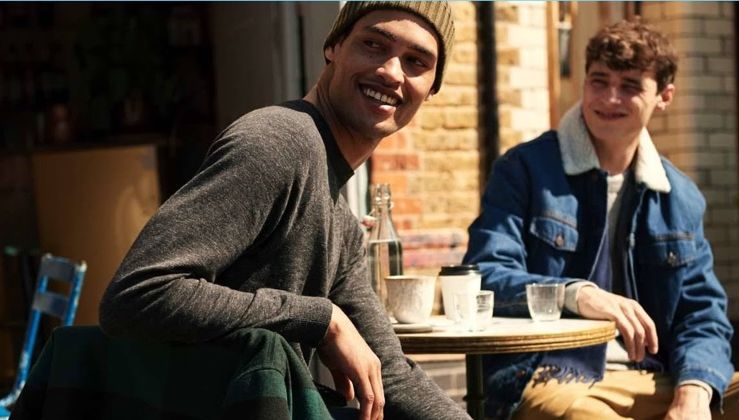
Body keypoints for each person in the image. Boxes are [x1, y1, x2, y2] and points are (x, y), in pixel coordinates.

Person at [99, 2, 469, 420]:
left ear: (433, 87)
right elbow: (135, 297)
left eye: (416, 61)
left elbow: (393, 377)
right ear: (333, 46)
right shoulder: (277, 143)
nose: (390, 71)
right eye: (373, 44)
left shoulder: (338, 211)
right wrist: (319, 318)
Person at [463, 19, 739, 420]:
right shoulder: (525, 169)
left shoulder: (680, 196)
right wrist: (576, 294)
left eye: (630, 86)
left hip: (655, 376)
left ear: (664, 97)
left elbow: (702, 315)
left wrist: (694, 392)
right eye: (599, 81)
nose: (609, 97)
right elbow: (485, 275)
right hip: (553, 378)